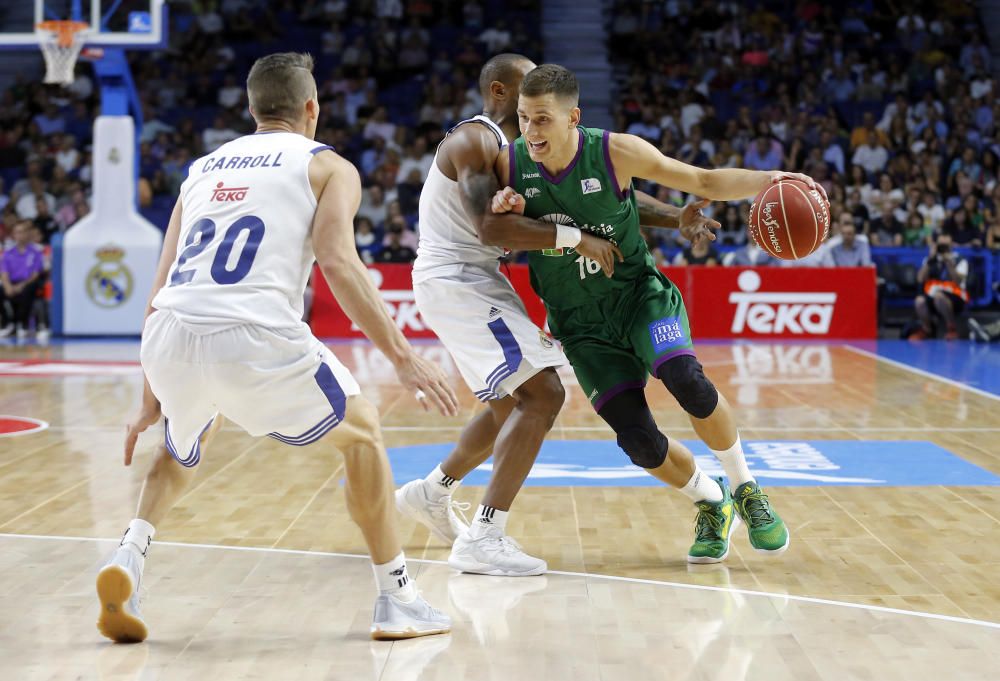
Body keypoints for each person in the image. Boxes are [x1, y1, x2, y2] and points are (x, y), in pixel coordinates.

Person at [96, 52, 457, 644]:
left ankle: (129, 560)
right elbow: (340, 263)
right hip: (254, 335)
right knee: (363, 433)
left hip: (170, 336)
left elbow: (159, 288)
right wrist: (402, 356)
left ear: (252, 108)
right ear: (311, 108)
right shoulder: (327, 166)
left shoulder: (201, 169)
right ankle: (397, 598)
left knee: (185, 437)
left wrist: (148, 398)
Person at [398, 55, 718, 575]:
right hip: (456, 277)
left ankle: (433, 490)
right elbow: (491, 230)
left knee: (511, 405)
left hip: (477, 280)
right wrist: (576, 240)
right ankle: (484, 535)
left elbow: (600, 200)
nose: (541, 97)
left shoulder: (518, 157)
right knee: (543, 394)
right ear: (503, 92)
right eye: (530, 87)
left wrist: (673, 218)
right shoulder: (475, 140)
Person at [489, 64, 820, 563]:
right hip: (579, 325)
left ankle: (748, 489)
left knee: (687, 379)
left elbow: (701, 179)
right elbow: (493, 226)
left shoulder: (614, 150)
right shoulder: (508, 165)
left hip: (637, 296)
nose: (531, 131)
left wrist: (769, 179)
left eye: (542, 119)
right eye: (523, 119)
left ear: (572, 117)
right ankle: (712, 501)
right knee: (640, 442)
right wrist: (500, 205)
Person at [912, 233, 968, 340]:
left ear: (951, 245)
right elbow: (920, 279)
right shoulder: (930, 260)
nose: (943, 249)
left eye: (945, 246)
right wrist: (930, 259)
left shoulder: (960, 260)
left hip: (954, 296)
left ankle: (951, 328)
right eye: (940, 246)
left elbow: (958, 282)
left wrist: (949, 263)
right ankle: (927, 330)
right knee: (919, 301)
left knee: (939, 297)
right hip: (933, 294)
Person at [0, 220, 45, 339]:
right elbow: (4, 272)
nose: (20, 235)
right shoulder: (8, 253)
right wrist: (8, 286)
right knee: (1, 290)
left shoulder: (35, 252)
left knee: (29, 290)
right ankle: (7, 324)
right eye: (17, 232)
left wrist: (20, 286)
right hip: (12, 282)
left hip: (27, 283)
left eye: (22, 232)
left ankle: (23, 325)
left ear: (27, 234)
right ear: (13, 235)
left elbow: (35, 274)